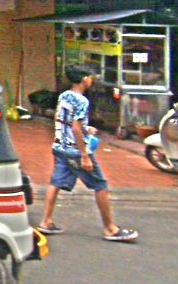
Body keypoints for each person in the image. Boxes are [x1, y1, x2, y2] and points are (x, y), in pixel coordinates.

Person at [37, 65, 138, 242]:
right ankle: (110, 228)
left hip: (60, 147)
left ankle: (46, 221)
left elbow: (64, 120)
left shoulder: (64, 96)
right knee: (100, 185)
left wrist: (85, 129)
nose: (91, 80)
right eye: (90, 77)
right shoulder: (82, 101)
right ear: (84, 79)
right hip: (76, 151)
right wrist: (84, 155)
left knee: (56, 182)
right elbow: (76, 127)